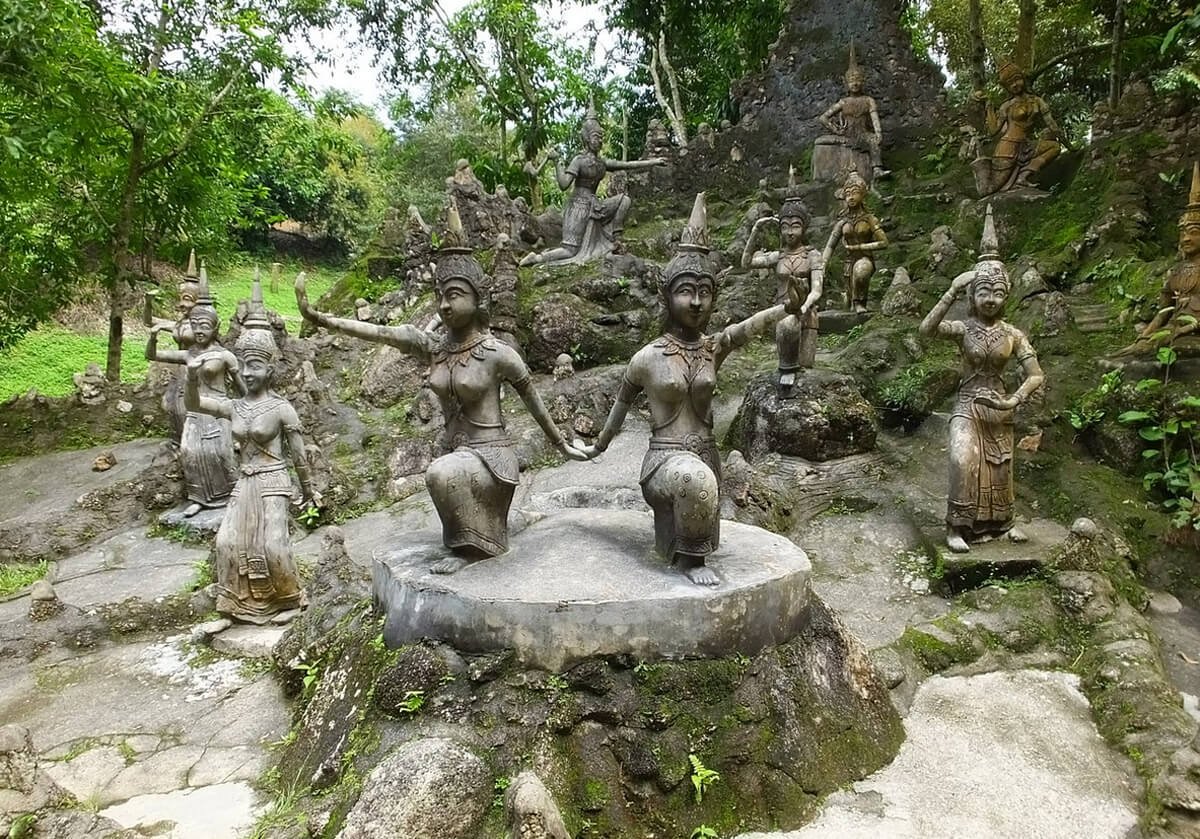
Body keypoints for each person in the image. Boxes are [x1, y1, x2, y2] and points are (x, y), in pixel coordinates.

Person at [297, 203, 586, 571]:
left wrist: (563, 445)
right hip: (455, 453)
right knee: (444, 469)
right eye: (441, 296)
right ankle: (471, 541)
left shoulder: (498, 353)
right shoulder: (435, 347)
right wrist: (320, 319)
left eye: (454, 295)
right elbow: (383, 333)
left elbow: (534, 403)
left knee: (440, 472)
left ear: (477, 298)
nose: (445, 305)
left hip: (492, 460)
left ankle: (476, 550)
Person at [578, 194, 803, 585]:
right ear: (667, 296)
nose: (697, 301)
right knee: (693, 482)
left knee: (700, 481)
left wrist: (786, 309)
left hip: (707, 459)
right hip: (665, 465)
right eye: (686, 290)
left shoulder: (712, 348)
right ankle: (690, 565)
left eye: (705, 291)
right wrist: (596, 447)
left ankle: (688, 549)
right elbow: (619, 408)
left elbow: (747, 328)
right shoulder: (647, 357)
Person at [185, 277, 314, 622]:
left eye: (255, 365)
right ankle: (236, 605)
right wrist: (190, 377)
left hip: (274, 480)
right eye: (243, 365)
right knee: (227, 543)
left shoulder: (282, 408)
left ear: (271, 369)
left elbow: (299, 456)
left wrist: (309, 491)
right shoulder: (234, 406)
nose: (246, 371)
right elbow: (195, 402)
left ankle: (291, 600)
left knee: (272, 545)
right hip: (245, 481)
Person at [919, 205, 1045, 553]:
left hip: (1000, 406)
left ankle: (1002, 524)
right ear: (973, 296)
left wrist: (1012, 400)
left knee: (1000, 469)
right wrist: (951, 291)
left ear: (1007, 295)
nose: (990, 299)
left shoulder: (1013, 334)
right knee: (963, 460)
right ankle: (956, 527)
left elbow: (1035, 375)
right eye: (983, 292)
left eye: (998, 292)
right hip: (967, 403)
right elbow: (927, 329)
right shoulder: (964, 329)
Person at [147, 264, 242, 516]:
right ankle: (199, 497)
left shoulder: (224, 355)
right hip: (194, 406)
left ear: (216, 327)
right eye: (195, 325)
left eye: (205, 326)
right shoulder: (188, 353)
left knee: (220, 453)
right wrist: (154, 336)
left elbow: (242, 388)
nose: (199, 330)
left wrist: (245, 410)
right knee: (190, 452)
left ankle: (234, 493)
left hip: (219, 407)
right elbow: (153, 354)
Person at [521, 102, 665, 266]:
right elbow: (563, 185)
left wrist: (653, 162)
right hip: (577, 207)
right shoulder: (578, 161)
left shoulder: (602, 163)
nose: (600, 141)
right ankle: (537, 258)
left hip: (594, 205)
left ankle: (616, 239)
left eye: (601, 137)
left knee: (624, 200)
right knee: (570, 250)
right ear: (587, 139)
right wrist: (557, 163)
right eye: (596, 137)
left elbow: (628, 164)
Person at [742, 185, 823, 387]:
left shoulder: (813, 255)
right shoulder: (778, 256)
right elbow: (746, 262)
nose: (789, 232)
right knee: (786, 365)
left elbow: (817, 290)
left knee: (805, 366)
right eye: (785, 226)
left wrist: (804, 307)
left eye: (795, 226)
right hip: (782, 311)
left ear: (804, 228)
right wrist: (756, 229)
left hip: (806, 313)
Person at [822, 170, 887, 313]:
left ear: (863, 194)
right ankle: (852, 301)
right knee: (848, 302)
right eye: (848, 194)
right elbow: (830, 245)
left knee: (861, 271)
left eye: (855, 192)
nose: (851, 197)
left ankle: (859, 302)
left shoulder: (870, 219)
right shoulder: (842, 222)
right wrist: (822, 264)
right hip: (848, 263)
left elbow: (884, 242)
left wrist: (859, 246)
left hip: (865, 257)